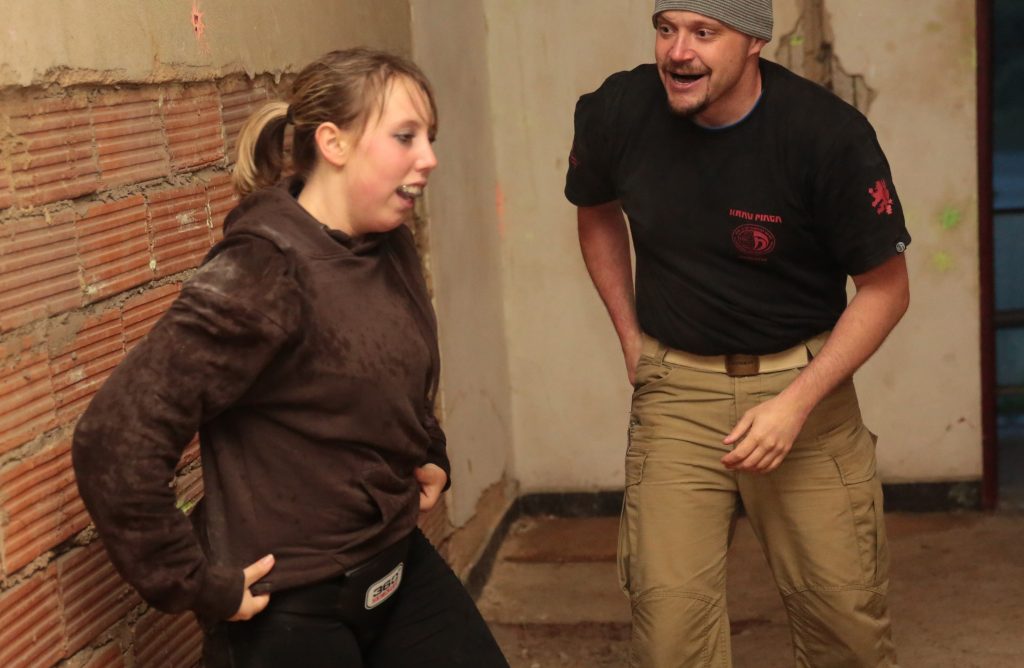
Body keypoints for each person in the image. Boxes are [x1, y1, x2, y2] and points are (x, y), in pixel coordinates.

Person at [72, 48, 509, 668]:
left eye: (429, 138)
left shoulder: (387, 243)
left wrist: (427, 448)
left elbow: (388, 373)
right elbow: (113, 439)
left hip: (392, 562)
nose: (429, 158)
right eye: (405, 136)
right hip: (292, 601)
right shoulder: (263, 270)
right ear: (333, 143)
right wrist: (196, 581)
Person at [565, 1, 910, 666]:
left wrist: (796, 403)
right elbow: (596, 209)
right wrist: (632, 340)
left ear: (754, 41)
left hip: (802, 396)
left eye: (704, 32)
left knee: (846, 631)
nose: (678, 52)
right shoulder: (619, 110)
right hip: (677, 397)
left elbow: (887, 289)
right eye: (666, 29)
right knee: (669, 640)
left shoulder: (826, 136)